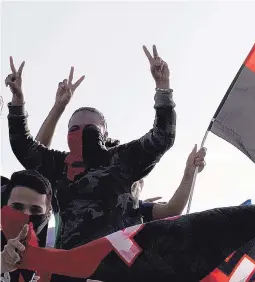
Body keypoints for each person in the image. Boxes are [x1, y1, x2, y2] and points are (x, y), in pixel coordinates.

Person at [5, 45, 177, 250]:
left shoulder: (121, 160)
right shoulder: (60, 166)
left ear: (104, 135)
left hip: (121, 266)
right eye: (75, 128)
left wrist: (163, 87)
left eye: (91, 129)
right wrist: (17, 102)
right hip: (71, 266)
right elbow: (24, 147)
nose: (82, 133)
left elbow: (162, 136)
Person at [35, 84, 206, 229]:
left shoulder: (131, 207)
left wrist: (189, 173)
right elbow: (38, 159)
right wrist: (58, 107)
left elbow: (172, 210)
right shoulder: (65, 186)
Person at [1, 170, 52, 281]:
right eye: (17, 207)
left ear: (47, 215)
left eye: (35, 210)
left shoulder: (53, 263)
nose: (26, 215)